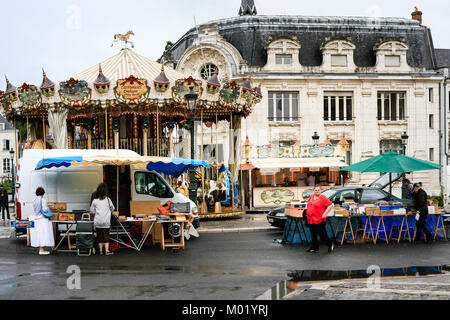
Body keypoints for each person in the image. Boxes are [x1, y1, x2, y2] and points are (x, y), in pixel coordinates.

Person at [306, 185, 335, 253]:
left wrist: (325, 213)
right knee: (313, 234)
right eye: (315, 190)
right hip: (311, 218)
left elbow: (330, 205)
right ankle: (315, 247)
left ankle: (330, 243)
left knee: (322, 234)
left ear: (320, 190)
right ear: (314, 191)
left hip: (319, 218)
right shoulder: (311, 196)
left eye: (318, 190)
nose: (317, 191)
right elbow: (309, 204)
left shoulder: (323, 198)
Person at [90, 183, 115, 255]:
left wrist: (97, 212)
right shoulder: (108, 199)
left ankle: (100, 250)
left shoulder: (95, 201)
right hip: (106, 221)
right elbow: (112, 208)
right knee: (106, 236)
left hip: (97, 221)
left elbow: (92, 211)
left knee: (99, 236)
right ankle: (106, 250)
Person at [30, 187, 55, 255]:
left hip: (36, 218)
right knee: (43, 234)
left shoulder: (34, 200)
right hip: (42, 219)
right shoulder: (43, 200)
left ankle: (41, 249)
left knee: (39, 233)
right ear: (43, 193)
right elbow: (45, 210)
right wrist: (47, 206)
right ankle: (41, 250)